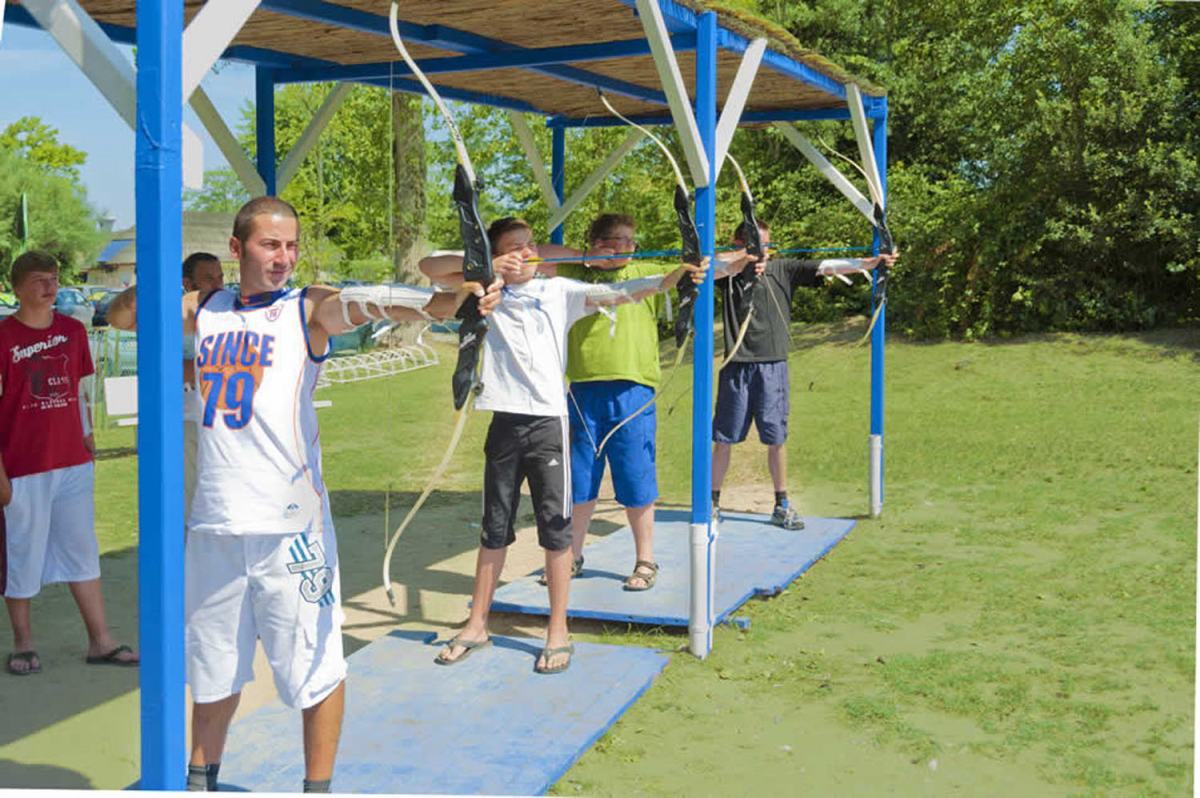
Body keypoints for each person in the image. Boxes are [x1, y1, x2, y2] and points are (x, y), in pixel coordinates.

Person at [108, 196, 499, 792]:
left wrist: (465, 297)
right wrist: (162, 277)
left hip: (292, 529)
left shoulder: (306, 308)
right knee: (213, 669)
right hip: (214, 524)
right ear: (237, 250)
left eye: (291, 246)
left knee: (315, 668)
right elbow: (122, 316)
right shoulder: (205, 306)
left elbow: (384, 304)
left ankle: (317, 789)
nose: (283, 258)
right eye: (269, 245)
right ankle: (199, 780)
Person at [419, 217, 705, 672]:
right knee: (494, 528)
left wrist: (676, 276)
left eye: (530, 246)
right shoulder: (482, 294)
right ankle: (476, 625)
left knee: (557, 531)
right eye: (515, 248)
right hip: (504, 424)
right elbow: (429, 265)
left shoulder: (560, 291)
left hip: (549, 425)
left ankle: (558, 630)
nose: (527, 253)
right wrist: (488, 266)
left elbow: (630, 291)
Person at [537, 214, 748, 592]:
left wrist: (745, 258)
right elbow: (535, 254)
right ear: (596, 241)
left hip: (633, 393)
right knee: (580, 481)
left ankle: (645, 560)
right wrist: (587, 256)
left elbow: (711, 268)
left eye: (629, 241)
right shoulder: (574, 273)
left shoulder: (647, 268)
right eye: (614, 240)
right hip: (583, 391)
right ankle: (572, 556)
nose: (624, 247)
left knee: (636, 479)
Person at [0, 250, 140, 676]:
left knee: (82, 550)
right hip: (22, 466)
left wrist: (87, 439)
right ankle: (24, 643)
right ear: (18, 287)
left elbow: (79, 391)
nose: (50, 287)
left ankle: (101, 640)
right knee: (22, 553)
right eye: (40, 280)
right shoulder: (3, 336)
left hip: (72, 463)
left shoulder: (73, 330)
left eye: (55, 279)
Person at [711, 220, 897, 527]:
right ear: (738, 246)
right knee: (724, 439)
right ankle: (712, 502)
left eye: (768, 245)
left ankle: (781, 502)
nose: (765, 252)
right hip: (736, 365)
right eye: (758, 245)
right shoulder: (727, 275)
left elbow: (826, 266)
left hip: (773, 366)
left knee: (776, 438)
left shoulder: (783, 269)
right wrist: (742, 260)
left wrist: (870, 262)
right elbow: (704, 266)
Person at [180, 253, 226, 517]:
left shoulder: (229, 317)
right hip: (186, 422)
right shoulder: (175, 320)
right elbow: (172, 370)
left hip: (223, 421)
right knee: (189, 503)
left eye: (220, 278)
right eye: (209, 279)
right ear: (188, 283)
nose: (218, 285)